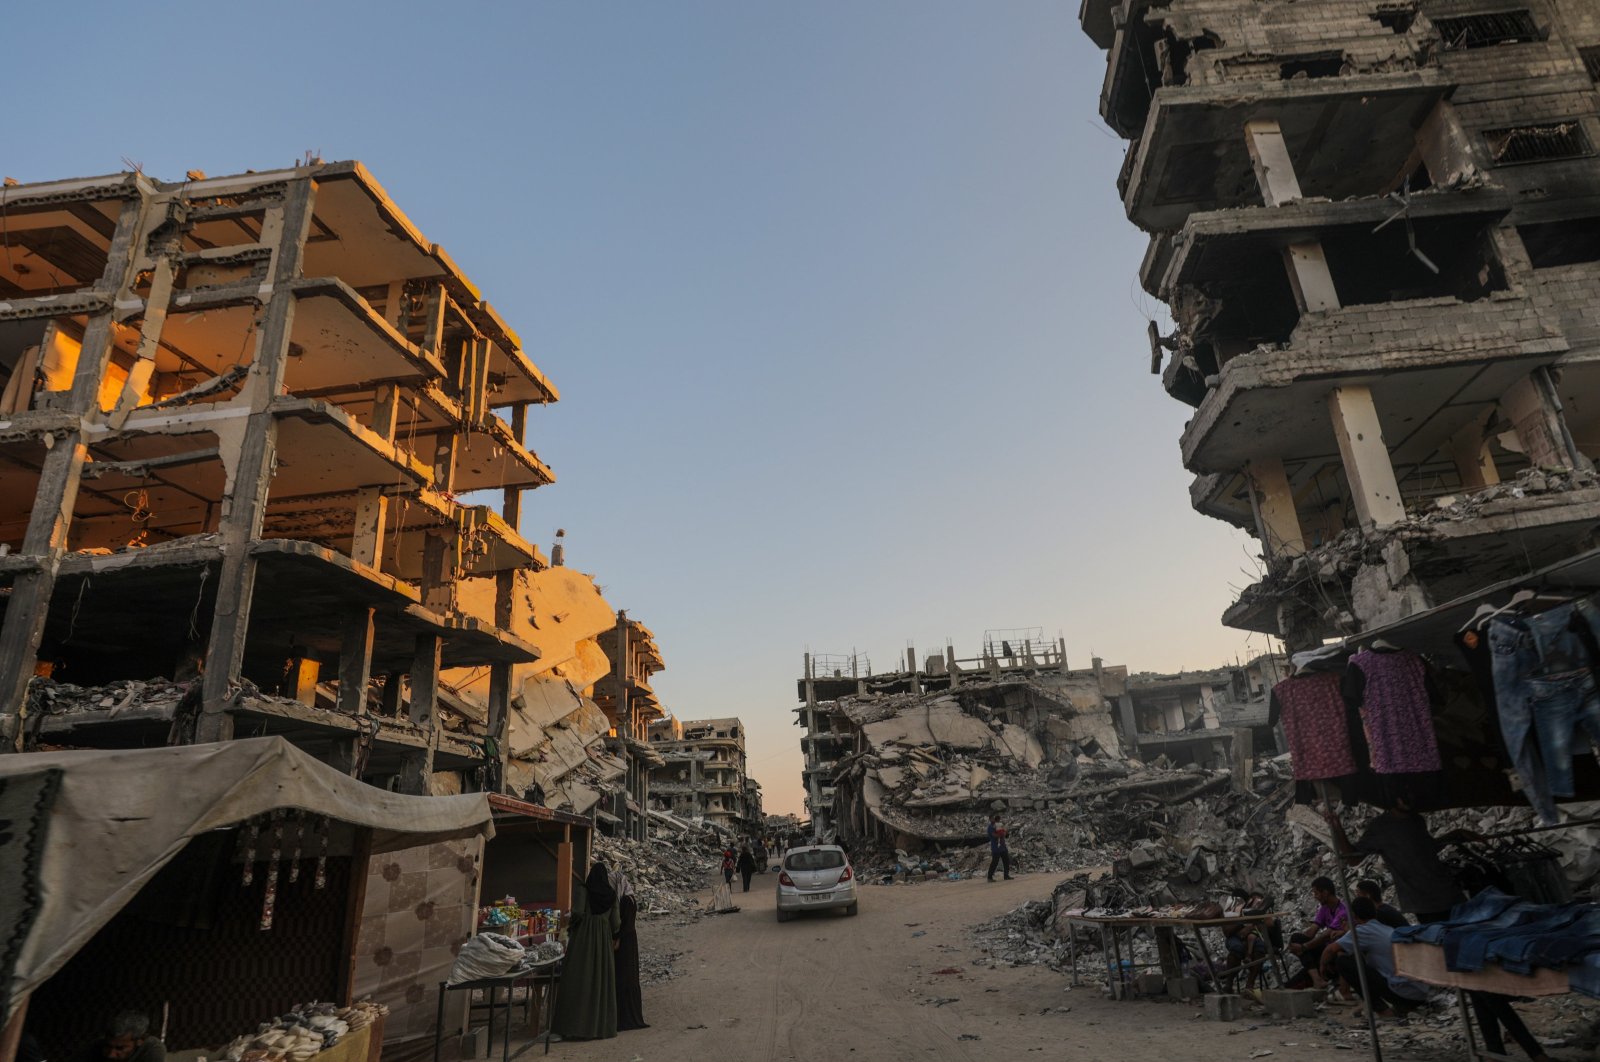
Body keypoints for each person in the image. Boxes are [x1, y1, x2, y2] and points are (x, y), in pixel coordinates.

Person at [1324, 798, 1550, 1060]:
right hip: (1429, 909)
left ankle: (1497, 1049)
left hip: (1453, 901)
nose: (1411, 794)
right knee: (1476, 982)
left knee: (1474, 979)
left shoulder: (1416, 820)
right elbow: (1352, 858)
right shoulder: (1380, 827)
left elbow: (1425, 850)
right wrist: (1337, 827)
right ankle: (1530, 1051)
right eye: (1404, 790)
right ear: (1390, 794)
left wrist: (1453, 835)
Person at [1318, 897, 1431, 1018]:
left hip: (1403, 994)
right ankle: (1388, 1005)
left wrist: (1323, 967)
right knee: (1352, 954)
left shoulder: (1364, 931)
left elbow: (1330, 950)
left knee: (1344, 962)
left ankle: (1382, 1010)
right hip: (1420, 993)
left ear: (1354, 915)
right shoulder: (1386, 928)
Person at [551, 862, 621, 1041]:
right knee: (600, 981)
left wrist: (569, 924)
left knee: (575, 979)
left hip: (583, 941)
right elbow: (616, 923)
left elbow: (577, 913)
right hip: (603, 941)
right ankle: (599, 1028)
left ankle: (569, 1027)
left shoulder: (584, 890)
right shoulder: (611, 895)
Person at [1287, 877, 1347, 989]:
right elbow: (1312, 932)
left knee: (1300, 979)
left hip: (1335, 953)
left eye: (1316, 893)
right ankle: (1317, 979)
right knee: (1296, 937)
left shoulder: (1343, 911)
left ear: (1325, 892)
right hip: (1324, 950)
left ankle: (1318, 978)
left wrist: (1303, 947)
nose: (1315, 897)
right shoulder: (1325, 908)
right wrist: (1295, 944)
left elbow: (1327, 935)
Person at [609, 868, 648, 1032]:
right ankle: (632, 1015)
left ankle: (624, 1018)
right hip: (631, 941)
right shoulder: (631, 898)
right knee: (630, 977)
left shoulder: (623, 901)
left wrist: (616, 938)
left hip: (624, 942)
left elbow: (623, 924)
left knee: (623, 977)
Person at [75, 1012, 165, 1062]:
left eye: (120, 1048)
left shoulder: (152, 1048)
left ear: (139, 1041)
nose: (111, 1055)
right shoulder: (95, 1046)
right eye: (107, 1046)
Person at [986, 813, 1012, 882]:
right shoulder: (990, 827)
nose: (995, 820)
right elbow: (994, 835)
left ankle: (1006, 875)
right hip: (996, 848)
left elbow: (1006, 834)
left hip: (1002, 846)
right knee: (995, 862)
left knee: (1006, 861)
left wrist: (1005, 832)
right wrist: (1002, 833)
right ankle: (989, 877)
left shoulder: (999, 825)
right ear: (990, 819)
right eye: (993, 818)